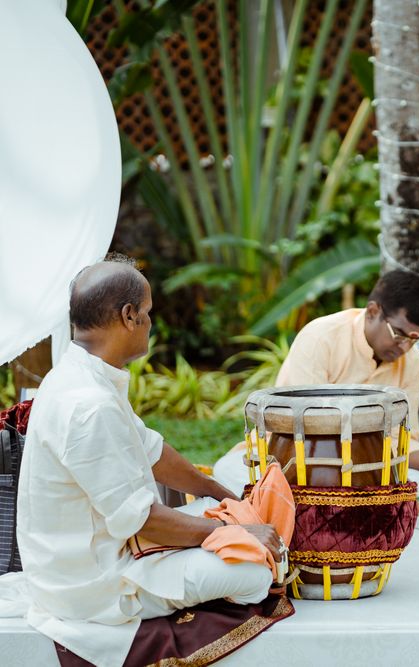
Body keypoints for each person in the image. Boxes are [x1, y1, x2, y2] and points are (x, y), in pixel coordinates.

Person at [15, 258, 280, 667]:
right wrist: (235, 529)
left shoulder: (80, 374)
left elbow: (152, 451)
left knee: (217, 518)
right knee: (256, 575)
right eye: (149, 313)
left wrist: (224, 496)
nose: (151, 323)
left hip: (96, 552)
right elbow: (142, 521)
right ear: (128, 316)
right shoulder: (90, 406)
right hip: (94, 584)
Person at [216, 270, 419, 492]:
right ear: (373, 311)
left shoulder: (413, 362)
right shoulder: (321, 338)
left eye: (414, 338)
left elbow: (400, 439)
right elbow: (298, 427)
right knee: (228, 471)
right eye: (398, 334)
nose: (405, 346)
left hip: (370, 465)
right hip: (294, 460)